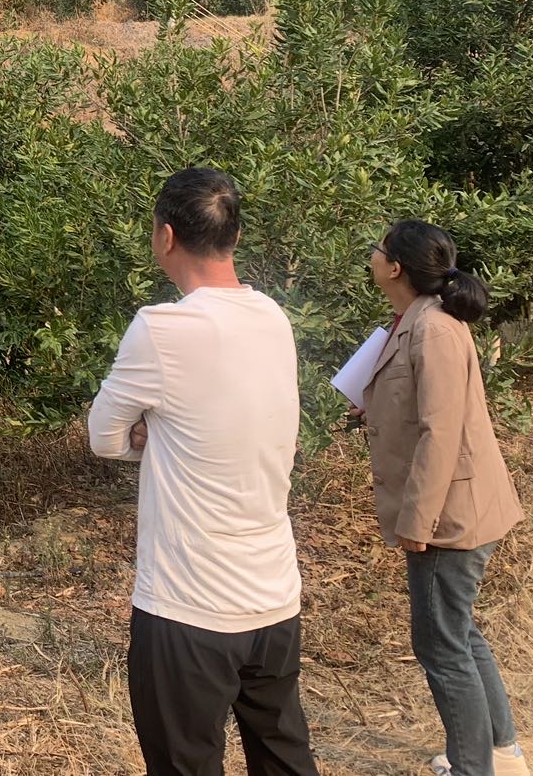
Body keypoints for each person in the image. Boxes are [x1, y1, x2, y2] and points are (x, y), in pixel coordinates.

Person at [89, 167, 320, 776]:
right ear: (234, 237)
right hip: (273, 595)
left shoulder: (162, 327)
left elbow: (104, 437)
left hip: (187, 605)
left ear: (165, 236)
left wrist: (155, 436)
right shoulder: (273, 317)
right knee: (284, 757)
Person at [360, 221, 528, 776]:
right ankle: (501, 753)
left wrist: (418, 521)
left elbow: (442, 431)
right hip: (457, 507)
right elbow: (420, 405)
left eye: (379, 248)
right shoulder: (419, 319)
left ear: (396, 268)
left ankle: (472, 767)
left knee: (441, 646)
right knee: (459, 633)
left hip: (449, 516)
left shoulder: (432, 328)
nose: (372, 254)